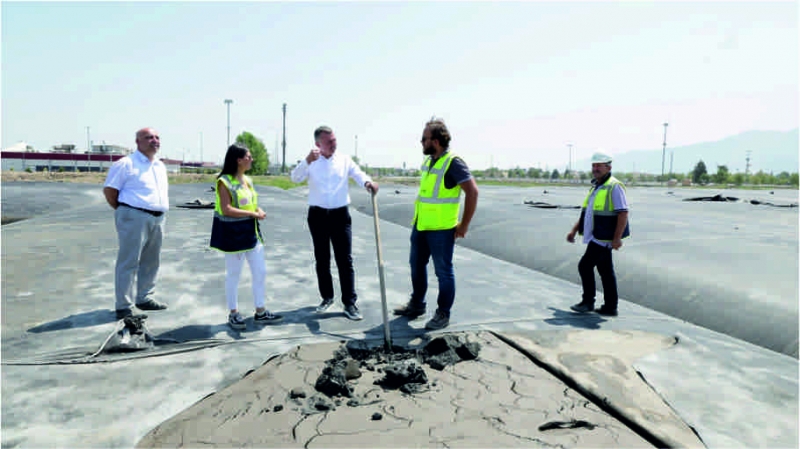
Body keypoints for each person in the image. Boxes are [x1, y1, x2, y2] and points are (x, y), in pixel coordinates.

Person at [393, 118, 479, 330]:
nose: (421, 142)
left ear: (437, 140)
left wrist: (464, 225)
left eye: (424, 138)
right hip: (421, 226)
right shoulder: (429, 162)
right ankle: (417, 305)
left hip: (441, 230)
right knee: (416, 266)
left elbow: (473, 192)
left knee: (443, 272)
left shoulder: (453, 162)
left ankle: (443, 313)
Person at [290, 126, 378, 321]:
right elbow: (294, 178)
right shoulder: (311, 162)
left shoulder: (344, 159)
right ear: (318, 144)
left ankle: (349, 303)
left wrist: (368, 183)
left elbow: (358, 174)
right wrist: (306, 161)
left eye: (334, 140)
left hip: (340, 216)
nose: (333, 144)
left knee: (345, 260)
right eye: (329, 142)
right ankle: (327, 297)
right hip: (318, 216)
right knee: (322, 259)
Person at [210, 144, 283, 330]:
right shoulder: (224, 181)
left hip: (251, 234)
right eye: (248, 157)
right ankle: (233, 313)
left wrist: (258, 210)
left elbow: (251, 203)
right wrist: (252, 214)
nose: (251, 159)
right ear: (238, 159)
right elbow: (226, 209)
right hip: (233, 236)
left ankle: (260, 311)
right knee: (234, 275)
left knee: (260, 272)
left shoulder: (248, 180)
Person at [103, 127, 169, 320]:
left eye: (157, 137)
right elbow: (110, 191)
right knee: (129, 261)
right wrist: (125, 210)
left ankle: (144, 297)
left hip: (158, 217)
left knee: (151, 260)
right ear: (138, 142)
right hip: (134, 216)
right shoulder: (126, 164)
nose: (154, 140)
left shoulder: (159, 166)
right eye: (149, 137)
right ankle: (124, 305)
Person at [566, 152, 630, 317]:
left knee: (585, 266)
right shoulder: (596, 186)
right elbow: (587, 213)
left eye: (599, 166)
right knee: (606, 271)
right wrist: (574, 230)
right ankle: (610, 306)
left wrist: (617, 238)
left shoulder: (614, 186)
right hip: (596, 235)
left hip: (604, 237)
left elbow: (623, 213)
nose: (595, 169)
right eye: (594, 165)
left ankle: (588, 302)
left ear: (608, 167)